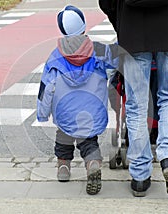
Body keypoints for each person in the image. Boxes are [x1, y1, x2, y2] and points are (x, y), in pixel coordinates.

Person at [99, 0, 168, 197]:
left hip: (133, 28)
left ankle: (140, 177)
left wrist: (120, 22)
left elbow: (107, 1)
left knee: (136, 106)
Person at [37, 5, 118, 195]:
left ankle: (63, 167)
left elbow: (46, 88)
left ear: (63, 30)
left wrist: (42, 113)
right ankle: (93, 163)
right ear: (84, 25)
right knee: (89, 139)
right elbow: (119, 59)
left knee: (64, 135)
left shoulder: (55, 57)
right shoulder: (99, 51)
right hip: (92, 110)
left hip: (64, 111)